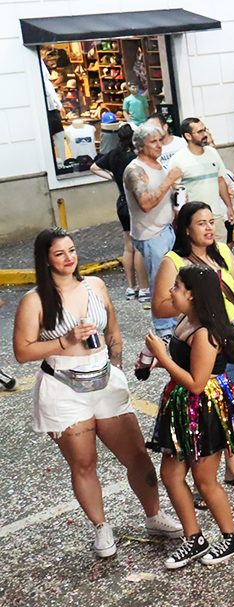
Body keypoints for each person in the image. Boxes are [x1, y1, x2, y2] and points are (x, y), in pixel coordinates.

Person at [13, 229, 184, 557]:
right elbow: (22, 351)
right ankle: (101, 527)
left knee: (136, 455)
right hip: (62, 386)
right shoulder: (34, 301)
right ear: (45, 260)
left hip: (105, 379)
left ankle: (154, 515)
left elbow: (113, 330)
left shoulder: (96, 286)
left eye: (72, 250)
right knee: (83, 463)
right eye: (59, 253)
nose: (69, 258)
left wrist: (115, 364)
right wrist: (65, 340)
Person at [145, 264, 234, 568]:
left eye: (177, 287)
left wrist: (163, 358)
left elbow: (196, 383)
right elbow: (184, 363)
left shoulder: (205, 334)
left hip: (204, 409)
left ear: (192, 295)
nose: (171, 292)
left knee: (204, 480)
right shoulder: (185, 320)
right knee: (171, 475)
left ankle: (232, 536)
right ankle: (194, 538)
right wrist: (158, 360)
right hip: (182, 407)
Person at [155, 201, 234, 491]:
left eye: (211, 222)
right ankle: (203, 479)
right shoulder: (173, 262)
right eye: (201, 223)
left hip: (233, 333)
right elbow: (160, 306)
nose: (209, 228)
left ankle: (232, 468)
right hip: (203, 340)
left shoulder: (223, 252)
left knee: (232, 404)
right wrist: (199, 305)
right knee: (200, 413)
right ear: (186, 230)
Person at [124, 124, 183, 338]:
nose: (159, 145)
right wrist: (169, 181)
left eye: (160, 140)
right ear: (140, 146)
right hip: (150, 233)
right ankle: (163, 329)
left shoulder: (158, 165)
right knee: (160, 283)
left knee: (173, 279)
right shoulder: (134, 170)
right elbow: (146, 203)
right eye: (153, 142)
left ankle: (174, 322)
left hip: (166, 228)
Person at [90, 125, 148, 302]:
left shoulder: (113, 154)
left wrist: (111, 177)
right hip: (134, 202)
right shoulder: (135, 157)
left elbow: (94, 167)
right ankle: (144, 288)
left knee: (128, 246)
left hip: (121, 202)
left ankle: (131, 287)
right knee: (139, 245)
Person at [169, 118, 234, 238]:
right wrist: (181, 219)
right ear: (188, 136)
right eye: (200, 132)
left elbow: (220, 181)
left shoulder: (213, 153)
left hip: (216, 216)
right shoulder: (178, 159)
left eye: (204, 130)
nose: (204, 134)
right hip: (195, 220)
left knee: (221, 247)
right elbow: (175, 190)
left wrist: (229, 207)